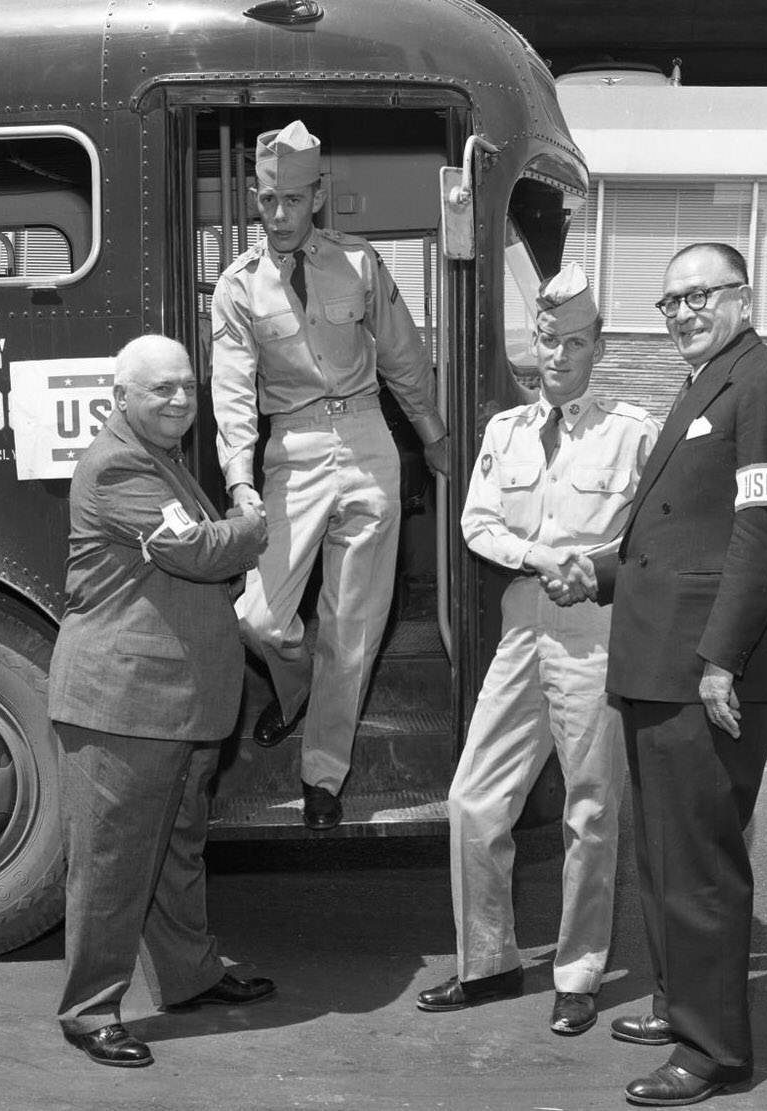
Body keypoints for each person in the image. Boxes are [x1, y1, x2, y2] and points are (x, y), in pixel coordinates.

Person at [415, 264, 659, 1035]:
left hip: (594, 635)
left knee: (590, 809)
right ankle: (487, 962)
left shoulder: (633, 431)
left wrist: (592, 565)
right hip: (523, 630)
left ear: (599, 347)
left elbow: (654, 532)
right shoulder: (506, 431)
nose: (558, 355)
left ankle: (578, 973)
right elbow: (477, 523)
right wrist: (540, 556)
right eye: (549, 339)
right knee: (473, 798)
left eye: (575, 342)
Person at [599, 243, 767, 1107]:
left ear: (743, 298)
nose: (684, 312)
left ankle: (713, 1049)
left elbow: (765, 529)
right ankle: (678, 1002)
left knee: (700, 866)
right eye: (671, 301)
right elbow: (680, 534)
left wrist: (723, 657)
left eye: (701, 295)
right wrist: (600, 572)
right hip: (656, 665)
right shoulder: (704, 383)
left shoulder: (766, 381)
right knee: (661, 859)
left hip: (702, 672)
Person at [211, 120, 450, 831]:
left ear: (317, 196)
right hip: (294, 449)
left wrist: (434, 437)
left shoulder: (359, 263)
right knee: (258, 616)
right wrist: (239, 479)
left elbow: (404, 356)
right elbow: (232, 390)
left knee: (354, 627)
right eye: (267, 200)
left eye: (292, 199)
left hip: (369, 439)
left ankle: (323, 773)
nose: (279, 215)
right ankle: (298, 693)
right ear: (255, 198)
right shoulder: (238, 286)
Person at [48, 335, 275, 1068]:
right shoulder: (118, 464)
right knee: (112, 865)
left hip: (174, 703)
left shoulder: (161, 457)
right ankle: (90, 1012)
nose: (180, 399)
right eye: (161, 389)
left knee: (178, 850)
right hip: (124, 705)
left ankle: (190, 977)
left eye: (186, 386)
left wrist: (224, 535)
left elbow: (195, 549)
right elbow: (199, 551)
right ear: (121, 398)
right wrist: (251, 525)